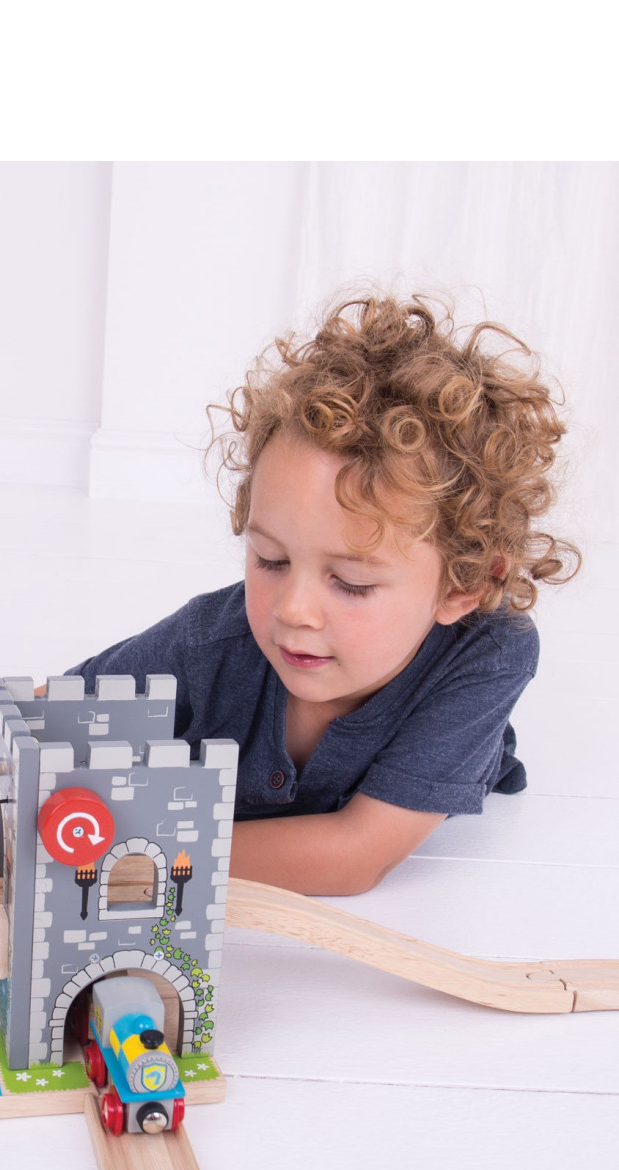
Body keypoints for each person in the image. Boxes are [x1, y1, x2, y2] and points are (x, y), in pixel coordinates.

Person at [66, 294, 581, 896]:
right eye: (271, 560)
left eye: (352, 583)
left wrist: (130, 854)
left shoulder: (489, 650)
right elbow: (43, 720)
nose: (292, 609)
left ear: (464, 586)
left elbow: (353, 857)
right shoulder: (209, 642)